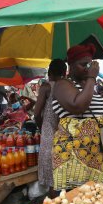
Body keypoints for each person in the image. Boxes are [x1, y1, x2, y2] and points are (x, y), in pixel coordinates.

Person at [51, 44, 103, 194]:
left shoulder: (88, 86)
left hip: (93, 155)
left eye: (90, 65)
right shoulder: (62, 84)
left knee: (92, 202)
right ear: (71, 65)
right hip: (71, 156)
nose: (88, 68)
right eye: (84, 65)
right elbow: (78, 106)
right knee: (71, 200)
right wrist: (91, 78)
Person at [34, 60, 67, 194]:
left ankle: (53, 203)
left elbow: (36, 114)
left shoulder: (47, 87)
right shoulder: (68, 87)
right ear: (65, 73)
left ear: (49, 73)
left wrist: (41, 126)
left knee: (51, 173)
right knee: (61, 170)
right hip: (64, 131)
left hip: (49, 131)